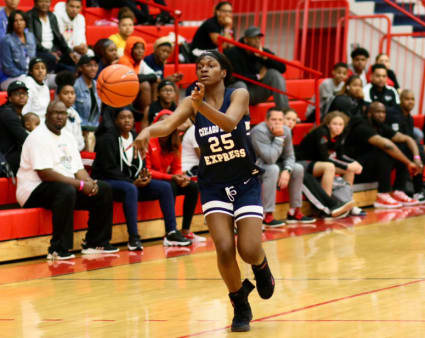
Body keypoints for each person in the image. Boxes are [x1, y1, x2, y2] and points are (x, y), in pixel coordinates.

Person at [132, 51, 275, 332]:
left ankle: (260, 265)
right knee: (223, 248)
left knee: (247, 249)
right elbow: (169, 124)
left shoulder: (239, 94)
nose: (204, 69)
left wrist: (199, 106)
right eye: (200, 66)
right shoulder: (191, 101)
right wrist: (147, 131)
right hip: (214, 186)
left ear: (223, 72)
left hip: (245, 182)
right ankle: (239, 302)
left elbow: (229, 122)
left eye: (211, 65)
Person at [16, 99, 119, 259]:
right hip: (33, 190)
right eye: (56, 113)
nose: (60, 117)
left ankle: (95, 243)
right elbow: (45, 173)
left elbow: (78, 169)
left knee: (103, 189)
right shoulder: (38, 137)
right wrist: (80, 184)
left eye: (63, 113)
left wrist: (90, 183)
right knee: (66, 190)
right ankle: (57, 249)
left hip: (63, 188)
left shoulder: (68, 136)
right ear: (47, 115)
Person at [91, 107, 192, 250]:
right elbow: (108, 169)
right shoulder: (108, 138)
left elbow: (142, 163)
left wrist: (144, 176)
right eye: (122, 117)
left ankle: (171, 232)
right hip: (108, 181)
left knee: (165, 187)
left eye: (130, 117)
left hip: (131, 183)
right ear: (115, 120)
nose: (126, 120)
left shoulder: (136, 136)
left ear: (134, 121)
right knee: (130, 188)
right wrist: (133, 182)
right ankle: (134, 238)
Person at [343, 102, 421, 208]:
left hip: (371, 166)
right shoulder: (361, 126)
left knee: (402, 148)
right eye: (378, 112)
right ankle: (382, 194)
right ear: (369, 113)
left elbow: (408, 139)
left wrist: (417, 159)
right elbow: (386, 145)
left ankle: (399, 191)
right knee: (384, 151)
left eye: (384, 112)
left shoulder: (381, 126)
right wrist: (408, 163)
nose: (382, 115)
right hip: (355, 167)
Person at [282, 111, 356, 218]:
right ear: (328, 124)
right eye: (335, 124)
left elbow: (340, 155)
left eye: (340, 124)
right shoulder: (321, 132)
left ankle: (346, 202)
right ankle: (330, 206)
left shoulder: (339, 136)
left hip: (314, 164)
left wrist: (352, 164)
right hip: (303, 162)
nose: (338, 127)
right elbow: (324, 158)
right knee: (329, 167)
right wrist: (347, 165)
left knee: (350, 170)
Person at [251, 107, 315, 225]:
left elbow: (290, 156)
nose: (278, 123)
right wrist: (279, 138)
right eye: (274, 119)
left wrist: (287, 171)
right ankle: (267, 215)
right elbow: (270, 158)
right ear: (266, 120)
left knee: (297, 168)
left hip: (273, 165)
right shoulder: (258, 131)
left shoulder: (286, 130)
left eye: (280, 120)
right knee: (273, 169)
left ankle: (294, 212)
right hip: (256, 168)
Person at [145, 110, 203, 242]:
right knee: (169, 186)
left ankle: (186, 230)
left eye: (169, 122)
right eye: (162, 121)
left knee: (192, 187)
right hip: (150, 180)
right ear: (155, 124)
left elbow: (177, 168)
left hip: (166, 179)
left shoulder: (175, 141)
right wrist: (173, 177)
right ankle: (170, 232)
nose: (165, 124)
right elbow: (147, 171)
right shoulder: (149, 140)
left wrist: (180, 177)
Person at [224, 26, 289, 110]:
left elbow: (282, 68)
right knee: (240, 85)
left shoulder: (262, 51)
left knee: (274, 74)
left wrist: (265, 58)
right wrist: (257, 76)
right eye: (254, 38)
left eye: (259, 38)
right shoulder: (233, 52)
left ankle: (284, 111)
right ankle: (242, 120)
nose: (257, 40)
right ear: (246, 40)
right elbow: (235, 77)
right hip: (238, 92)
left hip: (256, 92)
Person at [118, 35, 159, 129]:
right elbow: (131, 78)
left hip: (134, 94)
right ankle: (147, 115)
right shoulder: (124, 60)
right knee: (145, 85)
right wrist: (146, 77)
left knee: (155, 83)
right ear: (130, 49)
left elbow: (154, 76)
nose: (140, 51)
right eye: (137, 48)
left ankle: (154, 112)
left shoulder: (140, 62)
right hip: (122, 96)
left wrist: (147, 77)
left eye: (142, 48)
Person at [26, 0, 77, 72]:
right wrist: (48, 52)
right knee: (52, 59)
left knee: (73, 59)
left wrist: (69, 52)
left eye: (47, 1)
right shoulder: (29, 16)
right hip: (38, 50)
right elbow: (32, 39)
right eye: (41, 1)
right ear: (35, 3)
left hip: (53, 50)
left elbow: (59, 36)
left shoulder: (52, 16)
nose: (44, 4)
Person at [0, 10, 37, 90]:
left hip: (29, 76)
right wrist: (26, 75)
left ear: (25, 22)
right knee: (28, 82)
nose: (19, 23)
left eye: (21, 20)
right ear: (11, 23)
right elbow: (8, 68)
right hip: (9, 78)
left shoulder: (31, 36)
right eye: (15, 21)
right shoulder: (6, 40)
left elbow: (34, 59)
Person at [0, 80, 29, 175]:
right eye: (17, 94)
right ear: (10, 98)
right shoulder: (7, 114)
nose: (21, 96)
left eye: (24, 93)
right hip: (5, 161)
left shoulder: (16, 113)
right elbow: (26, 139)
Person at [73, 55, 101, 151]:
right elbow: (72, 112)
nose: (93, 68)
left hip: (95, 130)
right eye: (89, 65)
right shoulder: (75, 86)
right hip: (80, 131)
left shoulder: (97, 85)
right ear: (81, 68)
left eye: (95, 65)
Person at [55, 71, 85, 151]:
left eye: (72, 93)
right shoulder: (54, 115)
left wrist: (76, 149)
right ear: (58, 96)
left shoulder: (75, 114)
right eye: (66, 93)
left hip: (75, 151)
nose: (70, 96)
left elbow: (80, 140)